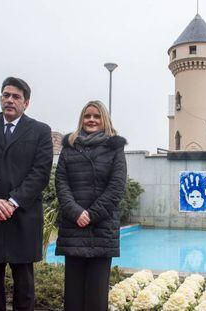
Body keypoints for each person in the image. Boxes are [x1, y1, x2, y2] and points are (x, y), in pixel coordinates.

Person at [0, 77, 53, 311]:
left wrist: (13, 202)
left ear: (26, 103)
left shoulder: (40, 131)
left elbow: (40, 172)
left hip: (23, 218)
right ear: (0, 98)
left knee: (25, 287)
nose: (9, 100)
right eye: (6, 95)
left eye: (16, 97)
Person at [55, 100, 127, 311]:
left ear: (104, 119)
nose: (92, 120)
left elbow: (117, 187)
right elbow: (61, 182)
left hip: (101, 229)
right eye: (87, 116)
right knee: (73, 297)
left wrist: (91, 214)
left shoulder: (115, 147)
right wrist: (76, 212)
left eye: (96, 116)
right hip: (73, 227)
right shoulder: (70, 146)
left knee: (97, 296)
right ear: (82, 119)